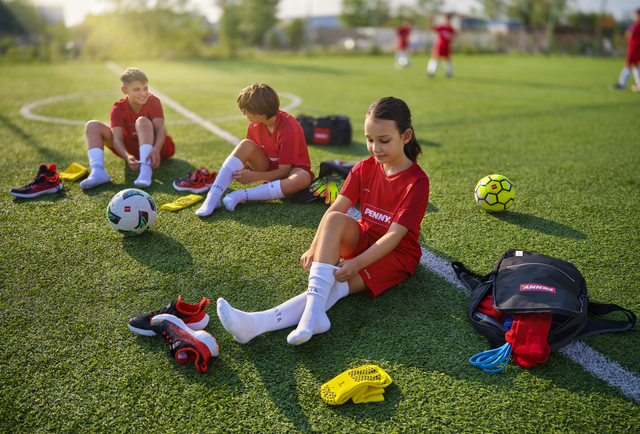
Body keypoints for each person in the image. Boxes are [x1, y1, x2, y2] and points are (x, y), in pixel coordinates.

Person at [216, 96, 429, 346]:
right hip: (365, 238)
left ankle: (255, 324)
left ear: (406, 136)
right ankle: (313, 317)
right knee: (336, 218)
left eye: (384, 141)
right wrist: (314, 246)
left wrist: (357, 263)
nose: (375, 148)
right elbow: (334, 211)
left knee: (336, 284)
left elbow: (394, 237)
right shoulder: (364, 168)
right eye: (370, 140)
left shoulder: (417, 182)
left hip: (396, 255)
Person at [196, 83, 314, 216]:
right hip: (268, 169)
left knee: (303, 178)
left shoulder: (288, 128)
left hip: (288, 174)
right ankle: (212, 198)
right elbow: (250, 155)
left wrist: (254, 177)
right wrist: (236, 171)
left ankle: (242, 195)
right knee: (246, 144)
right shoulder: (254, 125)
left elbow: (283, 172)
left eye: (246, 111)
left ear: (260, 113)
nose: (244, 114)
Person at [80, 67, 174, 189]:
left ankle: (146, 170)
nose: (143, 93)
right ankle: (98, 171)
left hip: (157, 148)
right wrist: (127, 156)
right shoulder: (119, 108)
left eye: (145, 88)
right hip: (131, 148)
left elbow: (160, 129)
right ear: (124, 90)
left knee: (142, 121)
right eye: (136, 89)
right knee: (92, 125)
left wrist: (156, 149)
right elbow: (117, 139)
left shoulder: (153, 101)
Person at [610, 8, 640, 92]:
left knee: (628, 64)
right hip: (634, 46)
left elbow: (630, 33)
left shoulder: (638, 24)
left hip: (635, 46)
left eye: (636, 14)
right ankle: (638, 84)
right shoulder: (635, 23)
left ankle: (621, 84)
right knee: (635, 65)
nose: (634, 16)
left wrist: (629, 34)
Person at [427, 13, 456, 78]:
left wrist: (452, 45)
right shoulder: (441, 27)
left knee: (447, 60)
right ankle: (431, 72)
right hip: (439, 46)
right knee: (436, 58)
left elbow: (453, 38)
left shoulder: (451, 29)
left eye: (448, 19)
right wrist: (430, 19)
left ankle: (449, 73)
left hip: (447, 47)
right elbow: (431, 27)